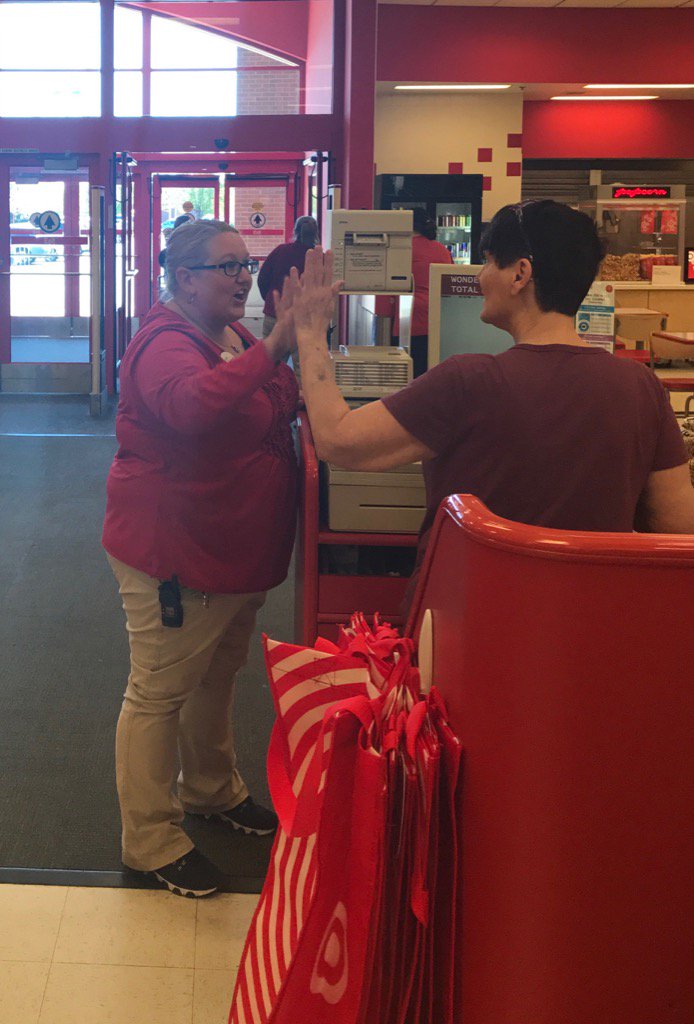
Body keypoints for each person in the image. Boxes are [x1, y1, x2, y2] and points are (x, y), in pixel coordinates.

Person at [287, 200, 694, 604]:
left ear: (520, 273)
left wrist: (309, 332)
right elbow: (677, 526)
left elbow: (337, 440)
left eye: (487, 262)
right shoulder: (642, 387)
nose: (480, 277)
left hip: (468, 629)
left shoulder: (468, 381)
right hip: (587, 629)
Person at [103, 219, 298, 898]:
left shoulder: (233, 334)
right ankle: (151, 839)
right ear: (183, 279)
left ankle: (213, 793)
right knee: (158, 692)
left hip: (231, 550)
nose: (244, 276)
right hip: (175, 552)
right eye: (227, 267)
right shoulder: (164, 341)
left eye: (247, 263)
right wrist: (277, 343)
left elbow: (272, 400)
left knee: (215, 677)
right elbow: (191, 409)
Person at [407, 207, 453, 377]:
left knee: (411, 374)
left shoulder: (404, 248)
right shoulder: (442, 250)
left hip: (410, 319)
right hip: (438, 318)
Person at [258, 215, 319, 339]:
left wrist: (272, 300)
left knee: (271, 358)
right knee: (304, 358)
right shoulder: (319, 257)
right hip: (305, 319)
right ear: (316, 234)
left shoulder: (281, 250)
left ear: (295, 231)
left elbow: (262, 279)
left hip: (275, 315)